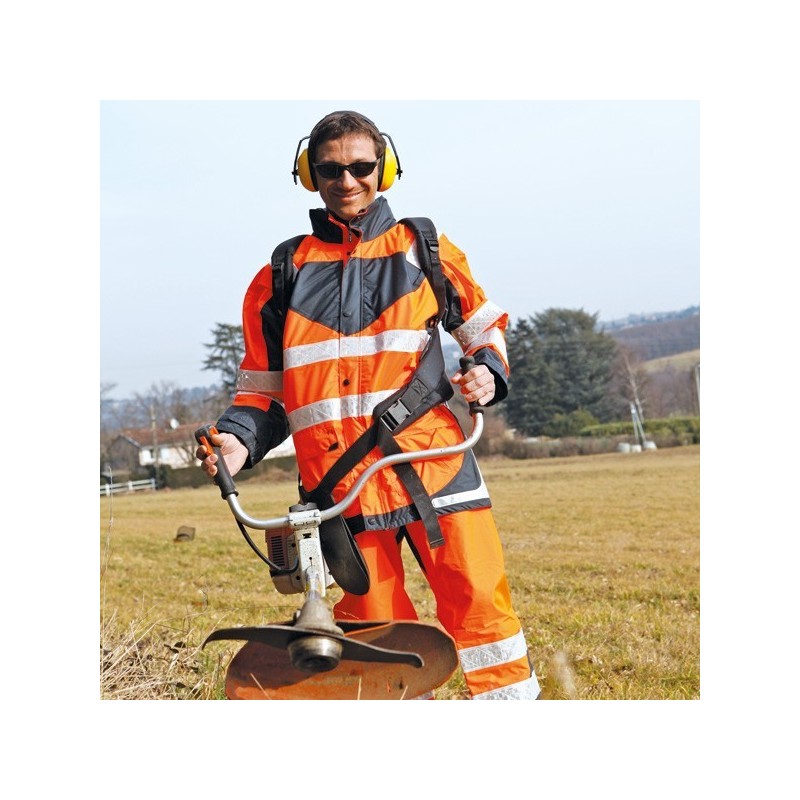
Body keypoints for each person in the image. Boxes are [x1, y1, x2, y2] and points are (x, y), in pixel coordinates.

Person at [197, 110, 540, 700]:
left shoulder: (424, 248)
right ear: (310, 174)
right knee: (374, 642)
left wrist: (487, 369)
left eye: (361, 167)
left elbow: (484, 329)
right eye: (330, 169)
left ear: (385, 169)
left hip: (436, 467)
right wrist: (236, 439)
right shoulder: (280, 274)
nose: (347, 180)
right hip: (339, 489)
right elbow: (262, 393)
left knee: (482, 610)